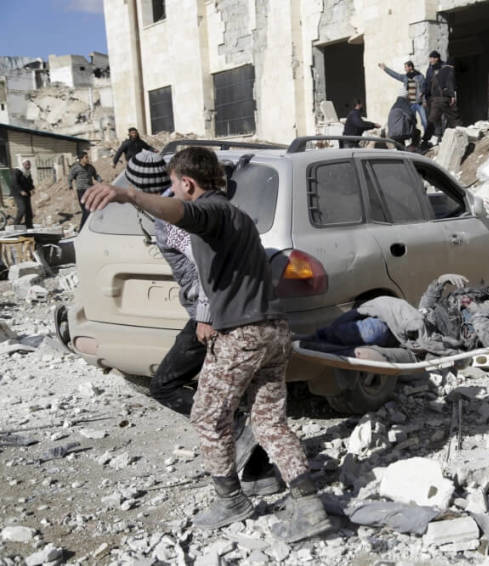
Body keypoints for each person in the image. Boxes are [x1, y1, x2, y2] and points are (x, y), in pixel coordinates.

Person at [82, 147, 333, 540]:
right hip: (273, 329)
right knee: (268, 422)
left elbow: (183, 214)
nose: (171, 190)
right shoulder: (239, 215)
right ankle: (308, 504)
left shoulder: (212, 213)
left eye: (173, 183)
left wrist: (129, 195)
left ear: (187, 183)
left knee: (207, 416)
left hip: (241, 333)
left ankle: (231, 500)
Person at [126, 149, 282, 496]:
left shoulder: (176, 216)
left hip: (218, 313)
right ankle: (260, 473)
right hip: (229, 311)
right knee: (235, 392)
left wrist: (205, 315)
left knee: (166, 385)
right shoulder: (183, 206)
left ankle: (241, 449)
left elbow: (205, 263)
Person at [309, 274, 489, 356]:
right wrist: (440, 282)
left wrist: (474, 312)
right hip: (418, 316)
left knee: (374, 330)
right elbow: (427, 305)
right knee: (364, 311)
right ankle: (312, 339)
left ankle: (308, 344)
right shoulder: (478, 294)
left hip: (430, 333)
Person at [379, 61, 427, 129]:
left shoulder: (420, 76)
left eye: (406, 67)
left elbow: (424, 88)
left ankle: (426, 138)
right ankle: (414, 138)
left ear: (410, 67)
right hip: (410, 104)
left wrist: (424, 100)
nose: (405, 69)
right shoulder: (405, 77)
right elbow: (395, 75)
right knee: (412, 122)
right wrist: (385, 69)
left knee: (424, 121)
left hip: (419, 103)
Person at [422, 58, 459, 146]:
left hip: (435, 100)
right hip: (444, 99)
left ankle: (425, 141)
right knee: (454, 117)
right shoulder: (450, 70)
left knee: (432, 120)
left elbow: (432, 83)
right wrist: (452, 96)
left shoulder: (439, 72)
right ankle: (461, 135)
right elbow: (450, 82)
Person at [69, 152, 102, 229]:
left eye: (88, 157)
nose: (88, 159)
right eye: (86, 157)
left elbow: (96, 176)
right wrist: (70, 186)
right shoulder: (75, 167)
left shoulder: (90, 167)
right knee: (85, 210)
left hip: (90, 190)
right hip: (81, 191)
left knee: (90, 209)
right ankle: (83, 229)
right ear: (81, 159)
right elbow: (70, 177)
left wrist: (101, 181)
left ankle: (87, 228)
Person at [9, 160, 34, 229]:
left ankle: (29, 225)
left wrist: (32, 188)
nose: (28, 166)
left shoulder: (28, 173)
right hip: (17, 193)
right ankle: (16, 225)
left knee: (29, 211)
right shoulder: (17, 171)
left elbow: (30, 182)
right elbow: (14, 182)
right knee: (22, 209)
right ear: (23, 164)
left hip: (26, 193)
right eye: (27, 165)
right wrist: (21, 191)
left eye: (29, 165)